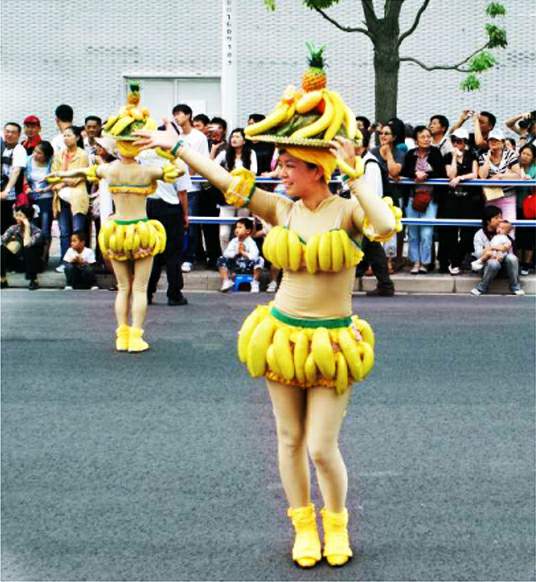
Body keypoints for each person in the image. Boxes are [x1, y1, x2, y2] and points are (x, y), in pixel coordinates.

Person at [134, 51, 398, 568]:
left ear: (317, 170)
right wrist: (180, 147)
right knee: (289, 438)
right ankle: (303, 527)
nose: (280, 170)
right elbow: (225, 181)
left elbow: (385, 227)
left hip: (332, 342)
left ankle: (336, 523)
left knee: (321, 446)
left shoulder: (348, 211)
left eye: (289, 164)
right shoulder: (282, 208)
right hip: (282, 336)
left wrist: (356, 176)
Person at [48, 82, 185, 352]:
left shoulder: (109, 170)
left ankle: (122, 335)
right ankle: (136, 336)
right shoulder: (147, 171)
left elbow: (81, 173)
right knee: (140, 288)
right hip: (142, 231)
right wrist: (165, 149)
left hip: (117, 231)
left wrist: (59, 175)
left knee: (123, 287)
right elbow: (179, 169)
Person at [138, 147, 191, 306]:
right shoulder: (177, 161)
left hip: (149, 205)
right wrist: (185, 215)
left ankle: (147, 292)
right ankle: (174, 294)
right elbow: (182, 192)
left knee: (151, 252)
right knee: (173, 253)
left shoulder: (144, 157)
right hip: (171, 206)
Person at [401, 126, 446, 274]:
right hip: (412, 197)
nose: (426, 139)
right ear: (416, 140)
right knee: (413, 232)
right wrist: (415, 173)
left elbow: (441, 172)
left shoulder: (435, 153)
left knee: (427, 232)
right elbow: (405, 171)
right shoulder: (410, 154)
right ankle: (416, 262)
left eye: (428, 136)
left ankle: (425, 262)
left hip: (430, 198)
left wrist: (426, 174)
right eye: (422, 137)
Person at [357, 132, 397, 296]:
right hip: (361, 213)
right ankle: (385, 284)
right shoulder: (359, 163)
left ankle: (352, 277)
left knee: (362, 247)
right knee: (373, 249)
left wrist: (367, 216)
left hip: (366, 214)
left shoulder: (370, 164)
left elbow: (374, 194)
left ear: (362, 146)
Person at [171, 104, 209, 274]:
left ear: (188, 116)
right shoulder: (176, 136)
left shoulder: (199, 137)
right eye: (174, 115)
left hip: (192, 186)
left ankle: (189, 258)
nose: (176, 118)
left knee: (191, 223)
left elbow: (201, 161)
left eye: (178, 114)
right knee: (177, 223)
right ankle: (177, 256)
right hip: (175, 186)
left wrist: (188, 173)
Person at [439, 128, 481, 274]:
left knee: (467, 232)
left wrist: (461, 178)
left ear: (465, 142)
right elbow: (450, 174)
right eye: (454, 141)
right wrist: (454, 158)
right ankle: (452, 262)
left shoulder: (472, 155)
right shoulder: (447, 156)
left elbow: (474, 174)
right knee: (450, 231)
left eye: (459, 141)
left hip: (468, 198)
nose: (456, 144)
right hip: (452, 198)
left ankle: (458, 260)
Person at [51, 125, 90, 269]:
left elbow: (78, 177)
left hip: (77, 197)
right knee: (64, 232)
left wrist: (61, 182)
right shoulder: (59, 154)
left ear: (77, 137)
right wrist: (58, 183)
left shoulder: (83, 155)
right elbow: (53, 174)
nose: (66, 138)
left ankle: (79, 262)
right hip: (61, 197)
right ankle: (65, 261)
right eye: (64, 135)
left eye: (69, 135)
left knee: (77, 231)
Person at [369, 122, 405, 270]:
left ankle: (389, 260)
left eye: (386, 133)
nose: (383, 136)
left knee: (391, 227)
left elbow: (394, 171)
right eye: (381, 133)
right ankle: (372, 262)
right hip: (376, 194)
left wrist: (388, 153)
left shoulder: (399, 153)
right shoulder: (373, 152)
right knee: (373, 227)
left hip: (393, 195)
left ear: (394, 137)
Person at [215, 128, 257, 250]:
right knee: (224, 233)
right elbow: (213, 167)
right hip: (227, 196)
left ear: (244, 141)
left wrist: (237, 175)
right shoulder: (224, 153)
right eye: (233, 136)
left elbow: (254, 172)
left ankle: (241, 256)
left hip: (243, 196)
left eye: (238, 137)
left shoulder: (251, 153)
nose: (234, 139)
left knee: (243, 232)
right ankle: (226, 256)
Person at [470, 206, 524, 296]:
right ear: (488, 221)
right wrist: (492, 249)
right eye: (496, 218)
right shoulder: (479, 234)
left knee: (512, 258)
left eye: (500, 217)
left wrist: (502, 251)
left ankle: (516, 287)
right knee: (493, 263)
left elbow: (510, 250)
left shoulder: (504, 230)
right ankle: (481, 288)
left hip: (504, 265)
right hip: (488, 267)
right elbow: (478, 254)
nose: (500, 220)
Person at [478, 128, 521, 223]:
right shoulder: (483, 157)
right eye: (491, 140)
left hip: (508, 196)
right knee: (492, 225)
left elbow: (517, 176)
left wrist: (499, 176)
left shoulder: (510, 155)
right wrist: (488, 159)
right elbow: (482, 176)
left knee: (508, 225)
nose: (493, 142)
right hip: (491, 197)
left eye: (496, 140)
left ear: (503, 142)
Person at [25, 140, 54, 266]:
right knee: (32, 228)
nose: (35, 154)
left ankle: (44, 257)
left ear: (46, 156)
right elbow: (24, 177)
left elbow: (56, 180)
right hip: (31, 199)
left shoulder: (52, 163)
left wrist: (44, 189)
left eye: (39, 153)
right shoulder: (28, 160)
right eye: (35, 151)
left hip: (46, 198)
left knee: (45, 229)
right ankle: (33, 257)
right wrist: (27, 187)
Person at [1, 204, 43, 290]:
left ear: (28, 218)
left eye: (20, 216)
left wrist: (27, 226)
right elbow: (2, 240)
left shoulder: (37, 231)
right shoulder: (13, 228)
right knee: (1, 248)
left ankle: (34, 280)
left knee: (29, 248)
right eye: (17, 215)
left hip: (33, 263)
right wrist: (8, 242)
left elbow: (27, 244)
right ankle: (2, 279)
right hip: (17, 260)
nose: (17, 218)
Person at [217, 218, 264, 293]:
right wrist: (236, 252)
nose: (237, 230)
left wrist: (243, 252)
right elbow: (226, 253)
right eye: (236, 227)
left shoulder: (251, 242)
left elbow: (255, 255)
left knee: (260, 260)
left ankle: (255, 282)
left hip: (248, 267)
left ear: (248, 231)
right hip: (236, 266)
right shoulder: (234, 241)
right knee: (221, 259)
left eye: (240, 227)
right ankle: (226, 281)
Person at [1, 122, 28, 234]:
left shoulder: (19, 150)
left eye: (13, 132)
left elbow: (16, 171)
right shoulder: (3, 148)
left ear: (18, 135)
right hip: (2, 191)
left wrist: (6, 191)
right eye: (7, 131)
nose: (9, 134)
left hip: (12, 195)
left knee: (9, 227)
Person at [516, 143, 536, 274]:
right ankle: (517, 262)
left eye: (528, 154)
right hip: (516, 204)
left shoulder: (535, 169)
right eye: (523, 153)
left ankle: (527, 264)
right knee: (518, 235)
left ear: (533, 157)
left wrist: (531, 181)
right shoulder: (515, 166)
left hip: (531, 207)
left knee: (529, 235)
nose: (525, 156)